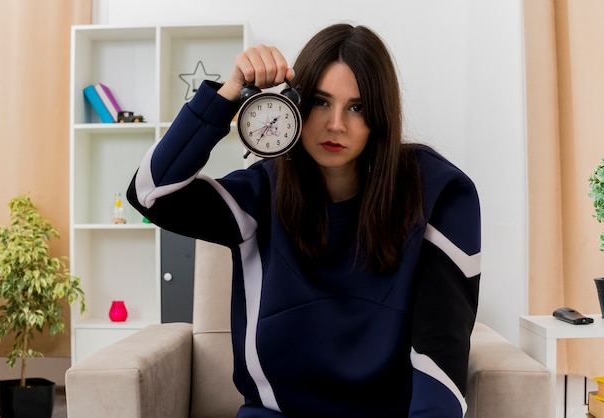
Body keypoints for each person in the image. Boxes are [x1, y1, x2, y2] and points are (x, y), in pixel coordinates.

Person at [127, 23, 481, 418]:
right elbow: (150, 192)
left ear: (380, 117)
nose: (336, 125)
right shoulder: (260, 192)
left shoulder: (436, 191)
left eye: (357, 107)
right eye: (320, 102)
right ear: (294, 103)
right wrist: (229, 93)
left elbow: (441, 355)